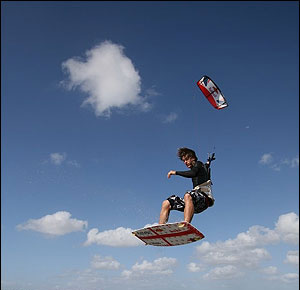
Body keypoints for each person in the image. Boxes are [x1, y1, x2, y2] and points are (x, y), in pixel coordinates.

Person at [159, 147, 215, 224]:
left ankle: (186, 225)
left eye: (187, 159)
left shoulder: (198, 164)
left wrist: (175, 172)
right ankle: (160, 229)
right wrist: (209, 161)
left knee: (188, 195)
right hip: (192, 204)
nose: (185, 162)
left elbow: (193, 173)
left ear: (193, 158)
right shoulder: (202, 166)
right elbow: (206, 165)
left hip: (204, 200)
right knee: (167, 203)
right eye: (183, 161)